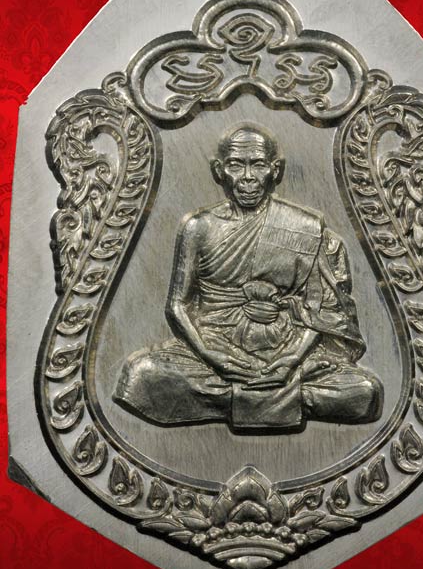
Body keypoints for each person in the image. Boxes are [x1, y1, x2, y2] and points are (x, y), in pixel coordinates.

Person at [114, 123, 383, 431]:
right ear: (218, 171)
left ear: (275, 170)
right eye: (235, 165)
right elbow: (178, 305)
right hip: (213, 351)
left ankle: (230, 399)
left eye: (258, 165)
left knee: (365, 392)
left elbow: (319, 312)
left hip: (289, 354)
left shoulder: (306, 228)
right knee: (141, 375)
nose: (247, 177)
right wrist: (211, 355)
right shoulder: (199, 228)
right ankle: (274, 396)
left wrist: (291, 359)